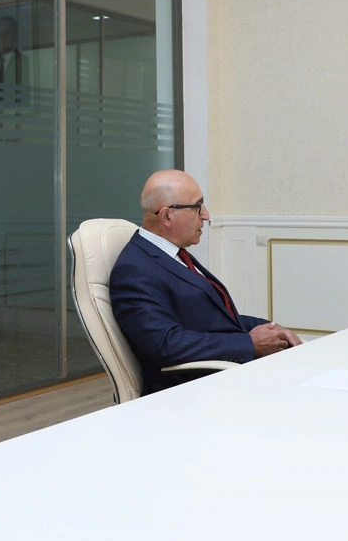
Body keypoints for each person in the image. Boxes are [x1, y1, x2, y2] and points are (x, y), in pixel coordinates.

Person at [109, 169, 301, 394]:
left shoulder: (172, 254)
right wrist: (250, 344)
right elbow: (167, 344)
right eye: (197, 206)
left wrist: (270, 329)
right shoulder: (134, 269)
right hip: (189, 391)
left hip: (221, 375)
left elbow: (210, 319)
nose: (206, 215)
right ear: (167, 216)